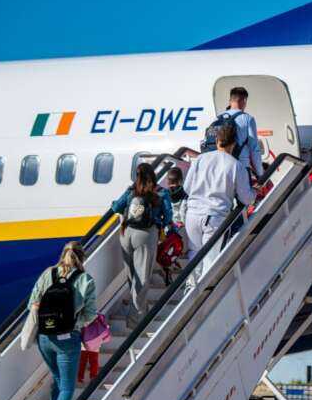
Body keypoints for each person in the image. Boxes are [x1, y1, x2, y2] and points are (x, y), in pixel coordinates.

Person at [28, 241, 97, 400]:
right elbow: (91, 314)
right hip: (68, 339)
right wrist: (76, 322)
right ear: (82, 258)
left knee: (57, 382)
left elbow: (32, 302)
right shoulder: (85, 280)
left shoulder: (47, 274)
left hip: (45, 338)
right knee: (67, 386)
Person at [184, 122, 254, 283]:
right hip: (215, 216)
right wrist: (254, 192)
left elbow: (187, 187)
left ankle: (190, 289)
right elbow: (246, 198)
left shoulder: (200, 159)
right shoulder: (236, 166)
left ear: (217, 141)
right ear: (234, 144)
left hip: (192, 214)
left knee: (194, 255)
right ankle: (203, 300)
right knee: (211, 261)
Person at [111, 163, 172, 326]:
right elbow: (168, 217)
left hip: (126, 234)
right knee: (142, 278)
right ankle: (135, 321)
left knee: (132, 276)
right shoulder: (161, 192)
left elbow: (116, 207)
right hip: (146, 235)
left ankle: (140, 309)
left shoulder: (131, 191)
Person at [224, 86, 264, 181]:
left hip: (221, 168)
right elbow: (254, 149)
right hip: (240, 168)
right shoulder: (247, 119)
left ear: (230, 100)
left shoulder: (218, 118)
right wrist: (260, 174)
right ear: (244, 100)